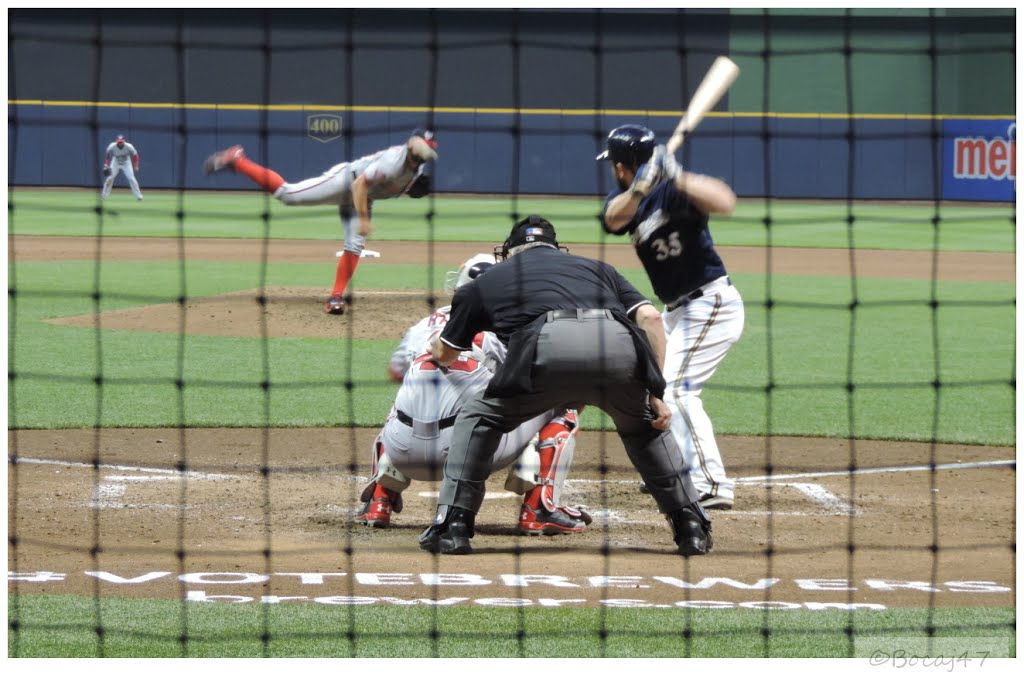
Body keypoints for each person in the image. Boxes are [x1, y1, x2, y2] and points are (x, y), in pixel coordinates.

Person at [418, 215, 713, 557]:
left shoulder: (484, 282)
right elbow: (650, 318)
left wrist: (433, 347)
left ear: (509, 252)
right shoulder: (599, 269)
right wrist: (655, 393)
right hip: (617, 346)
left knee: (480, 419)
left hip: (547, 348)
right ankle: (691, 526)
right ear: (556, 248)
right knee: (645, 428)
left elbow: (447, 353)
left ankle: (452, 526)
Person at [359, 252, 590, 535]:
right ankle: (538, 508)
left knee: (404, 403)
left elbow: (397, 370)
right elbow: (534, 379)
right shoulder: (509, 327)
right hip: (466, 456)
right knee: (563, 404)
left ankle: (379, 500)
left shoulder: (426, 323)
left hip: (401, 450)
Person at [597, 124, 744, 510]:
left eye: (614, 162)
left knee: (678, 391)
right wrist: (642, 187)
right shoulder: (629, 198)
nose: (612, 169)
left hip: (711, 304)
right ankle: (674, 470)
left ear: (621, 164)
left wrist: (676, 175)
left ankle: (711, 484)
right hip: (677, 310)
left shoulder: (678, 190)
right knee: (654, 385)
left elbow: (725, 200)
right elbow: (612, 219)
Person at [202, 129, 437, 316]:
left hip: (363, 195)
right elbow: (359, 186)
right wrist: (364, 219)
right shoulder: (393, 162)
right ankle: (238, 160)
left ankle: (335, 297)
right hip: (347, 181)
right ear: (412, 146)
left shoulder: (417, 167)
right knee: (288, 195)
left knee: (355, 244)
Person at [101, 134, 143, 201]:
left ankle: (139, 196)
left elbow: (135, 155)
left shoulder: (129, 146)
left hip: (126, 162)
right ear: (116, 141)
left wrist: (136, 165)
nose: (120, 143)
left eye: (121, 142)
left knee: (131, 178)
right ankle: (104, 196)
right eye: (119, 142)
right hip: (115, 162)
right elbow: (108, 155)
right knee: (109, 178)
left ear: (124, 141)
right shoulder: (112, 146)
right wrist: (106, 164)